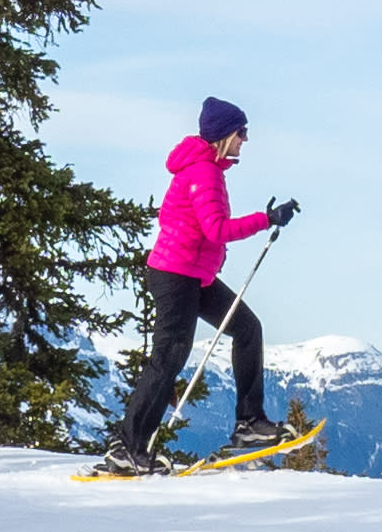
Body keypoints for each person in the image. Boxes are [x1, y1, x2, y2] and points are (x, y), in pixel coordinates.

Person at [100, 100, 300, 475]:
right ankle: (128, 448)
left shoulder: (207, 170)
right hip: (176, 277)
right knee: (169, 357)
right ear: (226, 134)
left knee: (246, 328)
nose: (245, 140)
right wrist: (266, 218)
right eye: (242, 132)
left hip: (193, 276)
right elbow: (217, 229)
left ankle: (250, 424)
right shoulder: (203, 172)